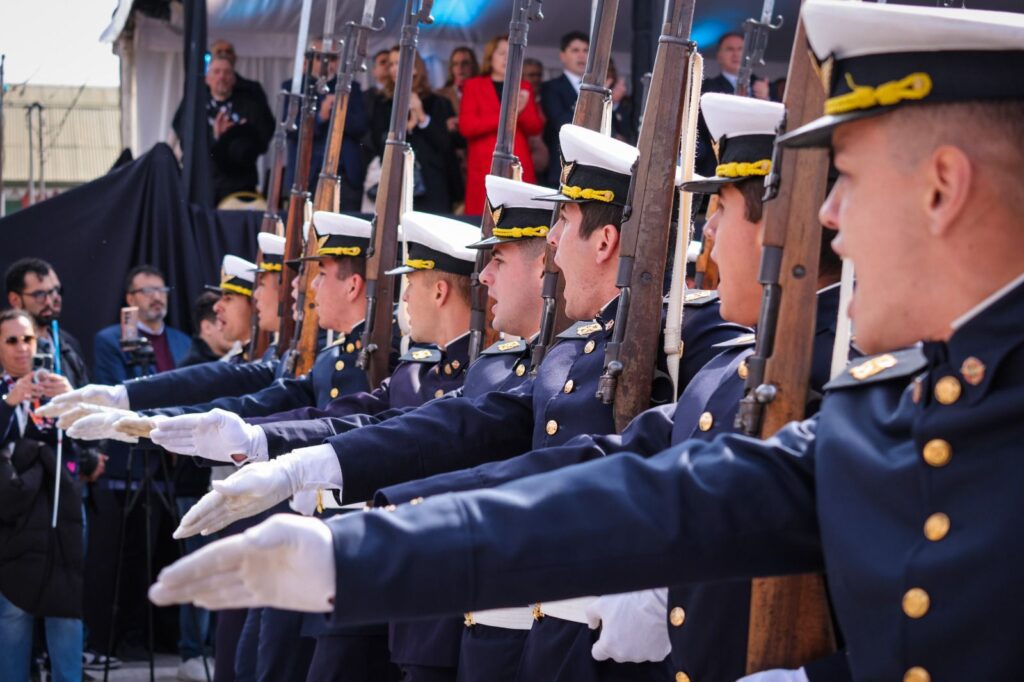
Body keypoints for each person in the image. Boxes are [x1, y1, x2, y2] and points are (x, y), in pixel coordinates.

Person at [150, 3, 1024, 682]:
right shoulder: (895, 409)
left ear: (942, 188)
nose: (826, 218)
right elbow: (647, 497)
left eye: (850, 182)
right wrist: (355, 547)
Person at [157, 127, 745, 679]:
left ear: (607, 240)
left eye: (561, 223)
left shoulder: (692, 342)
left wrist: (664, 577)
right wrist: (294, 460)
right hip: (527, 634)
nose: (553, 248)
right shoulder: (575, 352)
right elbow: (463, 428)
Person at [0, 308, 83, 682]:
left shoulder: (57, 384)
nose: (22, 349)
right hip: (11, 518)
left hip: (59, 512)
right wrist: (9, 403)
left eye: (28, 339)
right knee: (13, 614)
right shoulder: (5, 393)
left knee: (65, 612)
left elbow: (88, 444)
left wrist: (74, 402)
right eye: (11, 341)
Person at [459, 35, 544, 215]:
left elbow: (534, 127)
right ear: (490, 57)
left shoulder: (524, 86)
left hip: (518, 165)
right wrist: (511, 114)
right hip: (484, 165)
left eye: (512, 53)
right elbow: (467, 127)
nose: (507, 58)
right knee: (482, 221)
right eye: (501, 53)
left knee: (520, 221)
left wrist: (522, 110)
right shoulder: (473, 86)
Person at [171, 55, 275, 203]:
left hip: (240, 186)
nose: (222, 77)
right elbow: (185, 142)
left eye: (227, 72)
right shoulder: (194, 106)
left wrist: (237, 134)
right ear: (207, 78)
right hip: (204, 184)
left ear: (234, 78)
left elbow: (263, 142)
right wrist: (214, 136)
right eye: (217, 72)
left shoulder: (250, 106)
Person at [282, 38, 369, 212]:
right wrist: (320, 117)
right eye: (321, 57)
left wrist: (339, 113)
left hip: (344, 175)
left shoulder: (351, 88)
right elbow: (290, 129)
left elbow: (361, 126)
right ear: (309, 60)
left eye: (333, 58)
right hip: (308, 174)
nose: (327, 63)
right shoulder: (294, 87)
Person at [94, 266, 191, 383]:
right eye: (147, 291)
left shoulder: (184, 341)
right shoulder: (111, 340)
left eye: (162, 290)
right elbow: (113, 392)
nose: (157, 297)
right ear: (130, 299)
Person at [4, 258, 89, 390]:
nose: (49, 302)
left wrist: (70, 396)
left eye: (54, 291)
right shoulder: (7, 348)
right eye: (39, 294)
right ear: (15, 300)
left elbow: (86, 397)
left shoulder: (68, 344)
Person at [696, 31, 770, 177]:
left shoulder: (765, 87)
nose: (736, 54)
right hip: (718, 166)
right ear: (719, 56)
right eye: (730, 49)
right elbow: (704, 129)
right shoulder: (706, 88)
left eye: (740, 49)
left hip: (759, 167)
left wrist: (767, 99)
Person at [540, 31, 589, 186]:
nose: (581, 56)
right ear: (562, 56)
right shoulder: (551, 87)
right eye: (575, 50)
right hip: (562, 167)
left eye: (586, 50)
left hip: (590, 169)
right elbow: (561, 123)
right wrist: (590, 101)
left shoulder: (600, 89)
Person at [179, 291, 233, 368]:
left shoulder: (236, 360)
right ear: (207, 327)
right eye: (223, 323)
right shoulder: (192, 369)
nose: (232, 329)